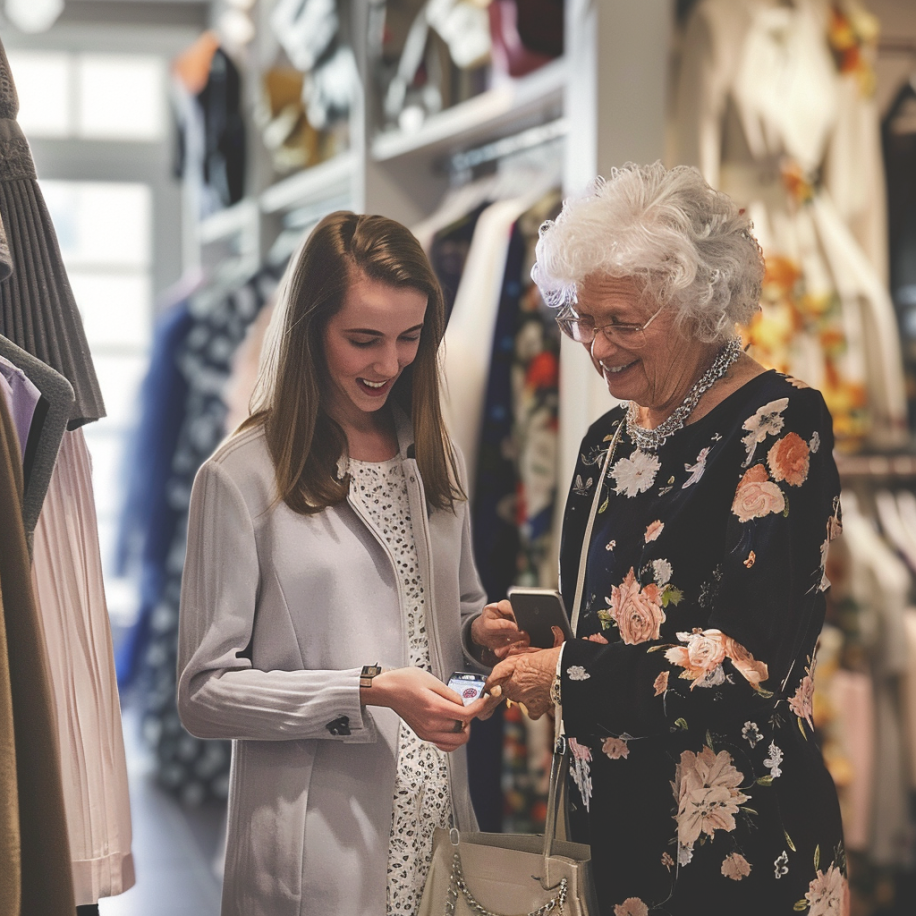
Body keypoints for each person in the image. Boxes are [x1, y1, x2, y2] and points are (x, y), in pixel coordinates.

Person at [472, 163, 848, 915]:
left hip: (737, 843)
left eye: (623, 322)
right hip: (611, 835)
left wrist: (567, 674)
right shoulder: (605, 442)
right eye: (580, 319)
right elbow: (607, 622)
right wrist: (537, 640)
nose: (597, 346)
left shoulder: (779, 428)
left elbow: (743, 664)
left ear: (702, 307)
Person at [177, 211, 498, 916]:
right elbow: (204, 693)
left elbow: (450, 613)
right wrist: (368, 690)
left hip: (439, 823)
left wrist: (482, 634)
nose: (389, 363)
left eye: (410, 338)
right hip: (317, 846)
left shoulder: (436, 458)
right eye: (364, 340)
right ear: (309, 330)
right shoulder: (240, 477)